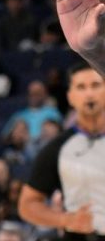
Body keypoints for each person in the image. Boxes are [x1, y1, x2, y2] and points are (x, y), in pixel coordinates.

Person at [18, 63, 105, 239]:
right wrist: (66, 220)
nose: (89, 94)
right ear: (70, 96)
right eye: (81, 87)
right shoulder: (58, 148)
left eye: (96, 85)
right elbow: (27, 205)